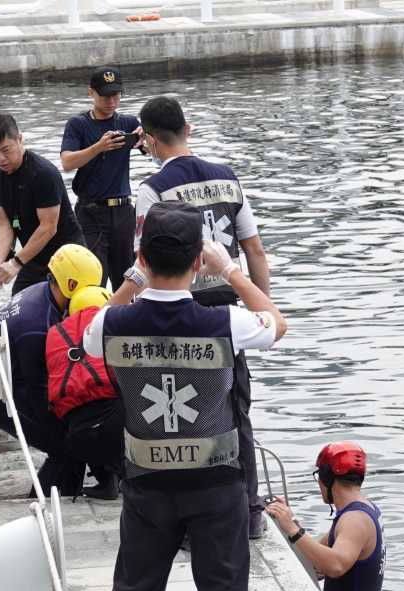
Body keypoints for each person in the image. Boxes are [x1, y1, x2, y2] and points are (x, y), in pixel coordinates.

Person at [84, 201, 287, 591]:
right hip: (217, 484)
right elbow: (277, 323)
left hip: (146, 483)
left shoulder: (111, 321)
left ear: (141, 257)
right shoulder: (225, 321)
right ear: (198, 260)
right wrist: (231, 271)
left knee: (134, 589)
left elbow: (89, 332)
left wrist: (132, 278)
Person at [119, 95, 273, 540]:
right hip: (228, 308)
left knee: (185, 413)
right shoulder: (228, 179)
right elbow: (255, 252)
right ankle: (249, 511)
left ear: (147, 139)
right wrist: (261, 309)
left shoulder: (153, 190)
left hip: (180, 310)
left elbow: (146, 262)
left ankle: (188, 518)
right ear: (188, 128)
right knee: (235, 410)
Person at [0, 244, 103, 496]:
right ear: (70, 286)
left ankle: (65, 492)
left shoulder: (45, 293)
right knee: (67, 444)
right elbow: (40, 397)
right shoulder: (37, 326)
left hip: (15, 377)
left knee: (71, 438)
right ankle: (46, 498)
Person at [265, 443, 393, 591]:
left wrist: (293, 529)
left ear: (326, 478)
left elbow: (335, 566)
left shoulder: (354, 520)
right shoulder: (360, 510)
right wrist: (289, 521)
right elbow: (319, 554)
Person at [0, 112, 86, 295]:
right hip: (34, 257)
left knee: (62, 313)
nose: (0, 159)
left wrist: (16, 263)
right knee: (18, 308)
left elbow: (48, 227)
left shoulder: (43, 173)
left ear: (20, 139)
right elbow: (5, 223)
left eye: (6, 150)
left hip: (66, 255)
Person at [60, 67, 141, 291]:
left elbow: (155, 150)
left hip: (123, 211)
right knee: (94, 278)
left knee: (128, 279)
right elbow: (67, 163)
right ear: (91, 93)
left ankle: (125, 322)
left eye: (116, 95)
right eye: (105, 95)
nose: (111, 101)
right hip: (91, 212)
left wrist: (146, 139)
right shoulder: (78, 125)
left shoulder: (128, 123)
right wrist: (98, 147)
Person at [44, 285, 123, 499]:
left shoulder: (55, 334)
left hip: (77, 438)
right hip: (120, 430)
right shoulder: (114, 326)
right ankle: (125, 478)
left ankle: (103, 482)